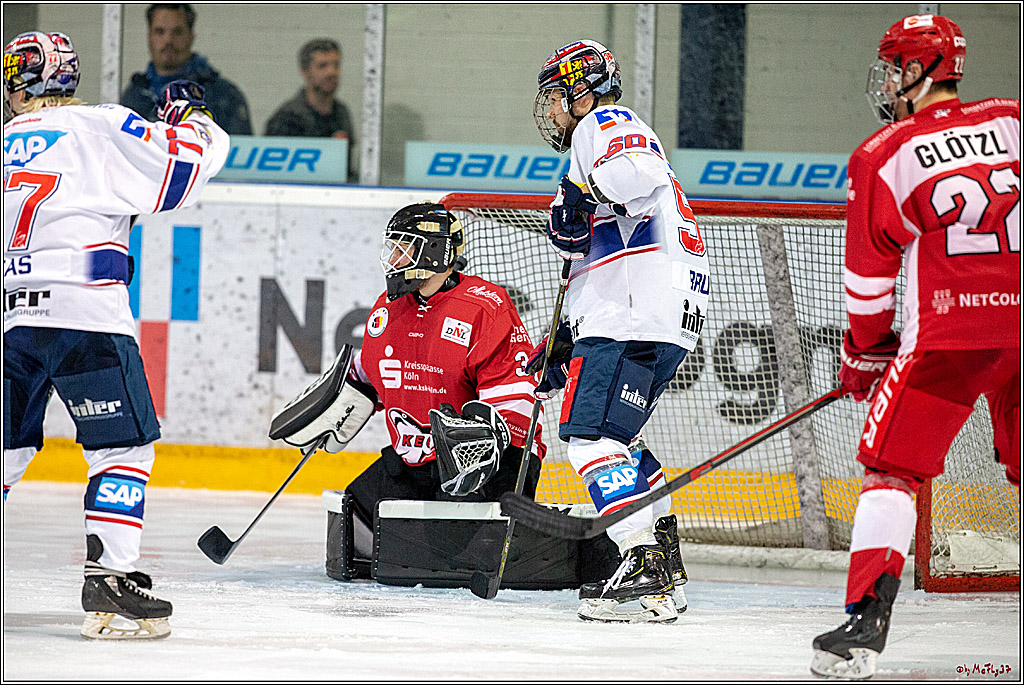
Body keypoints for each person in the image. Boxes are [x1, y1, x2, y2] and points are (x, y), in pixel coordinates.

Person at [811, 14, 1019, 680]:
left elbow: (869, 287)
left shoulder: (885, 151)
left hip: (949, 339)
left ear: (914, 70)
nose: (888, 81)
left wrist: (865, 357)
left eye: (893, 66)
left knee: (891, 471)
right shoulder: (1014, 119)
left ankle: (864, 624)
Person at [3, 31, 229, 640]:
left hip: (11, 321)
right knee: (121, 448)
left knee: (7, 450)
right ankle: (110, 581)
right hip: (87, 317)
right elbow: (185, 169)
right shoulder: (100, 126)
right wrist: (194, 117)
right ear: (68, 78)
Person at [531, 39, 711, 623]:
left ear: (583, 89)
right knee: (620, 439)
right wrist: (568, 335)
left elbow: (638, 173)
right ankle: (665, 560)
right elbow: (597, 242)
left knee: (589, 438)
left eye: (558, 97)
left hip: (633, 311)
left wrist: (583, 195)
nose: (554, 112)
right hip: (657, 311)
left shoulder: (605, 122)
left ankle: (643, 570)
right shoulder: (597, 134)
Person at [342, 202, 547, 558]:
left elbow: (516, 403)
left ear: (434, 252)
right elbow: (375, 373)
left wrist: (480, 452)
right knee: (355, 521)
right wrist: (345, 394)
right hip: (418, 460)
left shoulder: (484, 307)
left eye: (404, 245)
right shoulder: (388, 308)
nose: (394, 256)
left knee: (434, 556)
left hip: (488, 464)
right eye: (393, 246)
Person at [120, 4, 252, 135]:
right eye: (159, 32)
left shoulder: (223, 95)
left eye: (177, 32)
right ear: (149, 36)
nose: (168, 40)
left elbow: (241, 151)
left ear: (191, 36)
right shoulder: (135, 94)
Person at [264, 38, 357, 183]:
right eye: (322, 66)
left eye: (336, 65)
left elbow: (346, 168)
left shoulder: (341, 113)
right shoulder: (287, 117)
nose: (332, 72)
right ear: (305, 71)